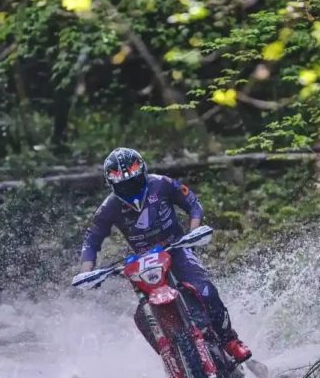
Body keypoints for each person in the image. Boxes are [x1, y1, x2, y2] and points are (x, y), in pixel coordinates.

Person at [78, 147, 252, 364]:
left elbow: (192, 203)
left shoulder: (161, 183)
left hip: (177, 248)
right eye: (123, 185)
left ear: (143, 173)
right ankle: (174, 358)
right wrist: (87, 273)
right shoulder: (109, 207)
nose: (130, 188)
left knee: (206, 291)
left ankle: (230, 340)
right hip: (143, 263)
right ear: (112, 185)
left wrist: (194, 231)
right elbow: (91, 240)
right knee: (144, 315)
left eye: (133, 181)